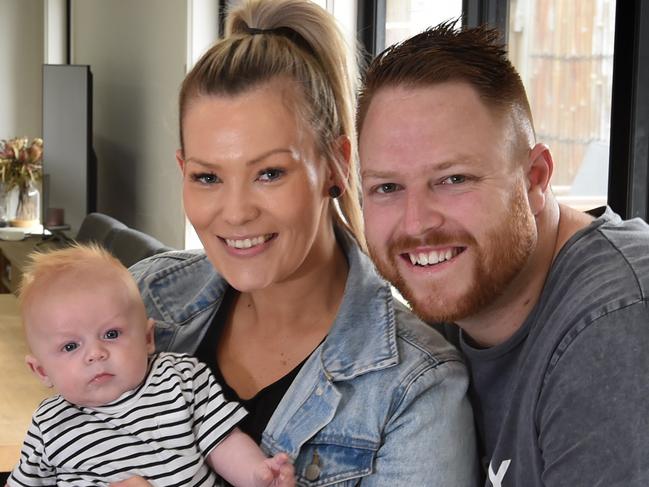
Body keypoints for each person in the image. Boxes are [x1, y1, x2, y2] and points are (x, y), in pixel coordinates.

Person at [129, 0, 479, 485]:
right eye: (207, 176)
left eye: (270, 173)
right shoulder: (141, 301)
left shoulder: (415, 389)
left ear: (334, 165)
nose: (235, 212)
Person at [357, 20, 649, 486]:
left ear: (535, 179)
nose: (416, 224)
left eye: (454, 179)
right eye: (387, 187)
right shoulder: (441, 308)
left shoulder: (617, 324)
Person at [8, 244, 294, 487]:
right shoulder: (50, 426)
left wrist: (257, 474)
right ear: (42, 371)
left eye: (111, 334)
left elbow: (224, 442)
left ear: (147, 338)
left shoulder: (179, 378)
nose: (95, 354)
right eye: (70, 346)